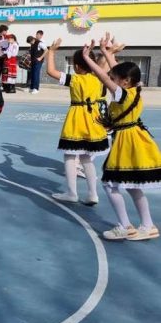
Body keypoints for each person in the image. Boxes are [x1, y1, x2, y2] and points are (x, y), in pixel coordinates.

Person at [80, 40, 160, 241]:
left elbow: (102, 75)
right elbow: (116, 71)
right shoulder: (134, 89)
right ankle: (148, 225)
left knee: (110, 184)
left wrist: (87, 58)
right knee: (133, 185)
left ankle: (125, 226)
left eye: (114, 79)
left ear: (124, 81)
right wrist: (106, 53)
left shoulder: (122, 95)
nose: (110, 81)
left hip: (127, 141)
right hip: (135, 139)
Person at [46, 38, 108, 205]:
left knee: (70, 155)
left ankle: (72, 193)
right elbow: (104, 67)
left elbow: (51, 71)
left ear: (77, 66)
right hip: (94, 119)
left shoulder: (74, 79)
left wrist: (51, 51)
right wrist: (107, 52)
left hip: (77, 119)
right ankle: (93, 194)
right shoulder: (98, 79)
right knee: (87, 158)